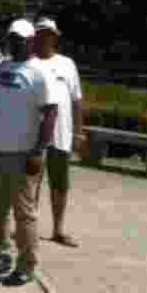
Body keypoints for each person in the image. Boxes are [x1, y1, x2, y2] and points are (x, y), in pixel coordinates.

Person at [0, 19, 58, 286]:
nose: (13, 42)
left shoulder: (39, 72)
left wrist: (39, 151)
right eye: (11, 38)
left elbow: (50, 113)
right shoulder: (3, 66)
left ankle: (27, 265)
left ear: (30, 41)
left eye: (19, 39)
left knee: (24, 213)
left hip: (24, 154)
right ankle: (0, 257)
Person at [32, 18, 86, 247]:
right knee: (32, 182)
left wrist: (78, 132)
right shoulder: (30, 63)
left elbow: (76, 100)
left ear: (55, 36)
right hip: (33, 135)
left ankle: (58, 229)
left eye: (48, 33)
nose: (44, 37)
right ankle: (27, 229)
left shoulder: (67, 64)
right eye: (40, 33)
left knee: (60, 184)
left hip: (61, 135)